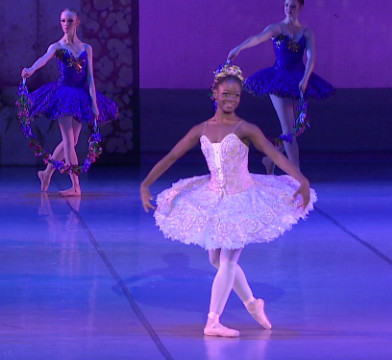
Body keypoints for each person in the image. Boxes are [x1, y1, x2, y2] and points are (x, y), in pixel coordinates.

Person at [139, 65, 316, 337]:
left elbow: (276, 155)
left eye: (236, 95)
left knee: (228, 261)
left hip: (242, 199)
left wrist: (301, 179)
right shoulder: (201, 129)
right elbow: (172, 156)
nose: (231, 99)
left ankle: (213, 320)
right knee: (216, 260)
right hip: (213, 197)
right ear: (215, 94)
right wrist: (146, 183)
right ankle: (252, 303)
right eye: (226, 94)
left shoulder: (246, 128)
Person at [227, 0, 334, 174]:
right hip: (278, 79)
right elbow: (256, 38)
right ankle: (296, 174)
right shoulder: (277, 28)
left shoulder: (306, 33)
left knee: (293, 130)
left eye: (293, 6)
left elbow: (311, 58)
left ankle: (270, 159)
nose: (289, 9)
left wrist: (305, 79)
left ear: (300, 7)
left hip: (298, 80)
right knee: (289, 130)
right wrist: (239, 48)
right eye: (286, 5)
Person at [21, 8, 118, 196]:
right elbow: (43, 59)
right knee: (67, 141)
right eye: (63, 21)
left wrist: (94, 102)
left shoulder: (86, 48)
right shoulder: (57, 47)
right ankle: (76, 186)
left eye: (70, 21)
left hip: (81, 96)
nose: (66, 24)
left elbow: (89, 78)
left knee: (72, 142)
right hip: (63, 95)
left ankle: (47, 172)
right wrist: (31, 69)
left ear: (77, 23)